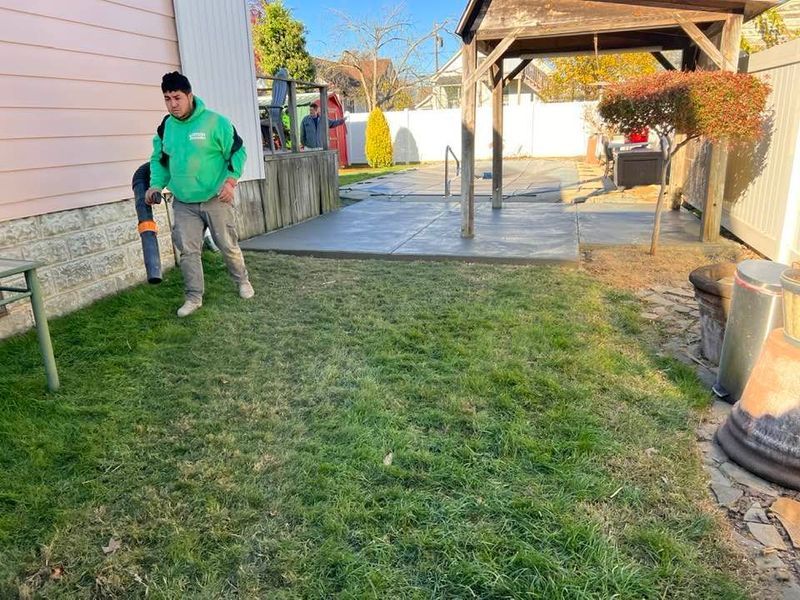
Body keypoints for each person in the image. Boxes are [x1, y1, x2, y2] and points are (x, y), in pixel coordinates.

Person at [145, 72, 254, 317]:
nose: (173, 104)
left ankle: (242, 281)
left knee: (227, 244)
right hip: (184, 202)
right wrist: (155, 185)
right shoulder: (166, 128)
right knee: (188, 251)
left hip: (216, 198)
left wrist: (230, 182)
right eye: (167, 99)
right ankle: (194, 297)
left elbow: (238, 152)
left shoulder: (215, 122)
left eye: (177, 98)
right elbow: (159, 160)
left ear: (190, 96)